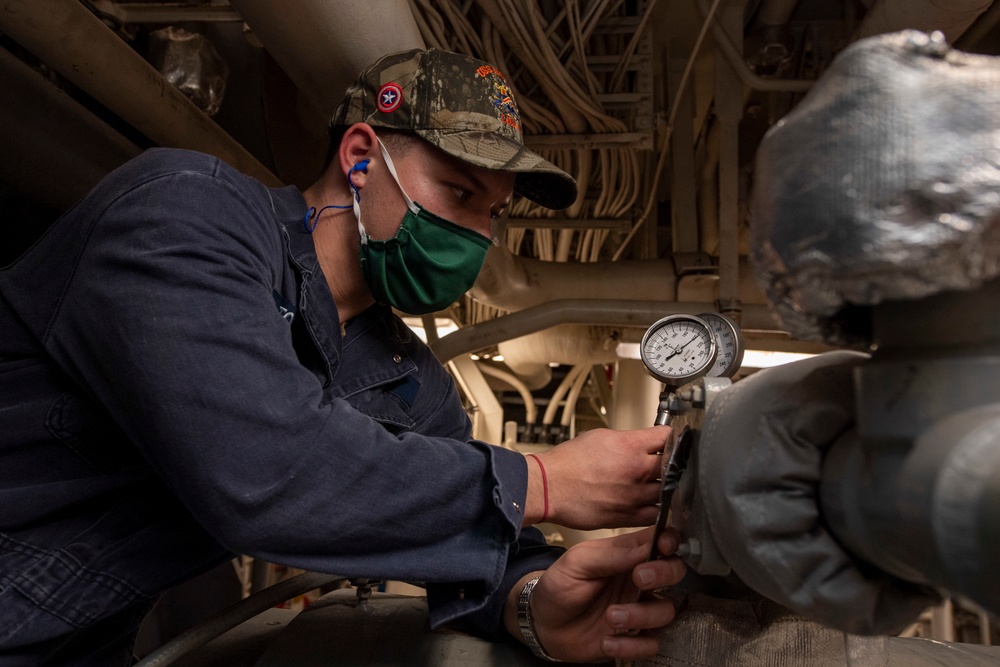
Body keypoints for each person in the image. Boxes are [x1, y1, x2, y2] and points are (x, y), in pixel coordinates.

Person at [0, 48, 684, 664]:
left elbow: (479, 550)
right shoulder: (188, 215)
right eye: (459, 193)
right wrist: (543, 479)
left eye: (493, 214)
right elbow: (263, 470)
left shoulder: (408, 380)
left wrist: (533, 602)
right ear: (360, 157)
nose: (476, 237)